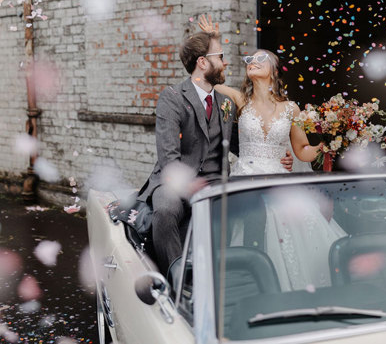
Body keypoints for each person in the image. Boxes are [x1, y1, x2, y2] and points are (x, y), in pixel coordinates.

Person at [199, 15, 346, 290]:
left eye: (260, 59)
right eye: (249, 61)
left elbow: (302, 151)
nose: (252, 62)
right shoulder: (240, 100)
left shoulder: (291, 108)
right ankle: (247, 283)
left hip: (278, 178)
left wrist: (329, 144)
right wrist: (214, 40)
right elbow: (209, 80)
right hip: (246, 179)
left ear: (274, 71)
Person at [137, 30, 293, 275]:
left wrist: (274, 154)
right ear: (203, 62)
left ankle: (247, 273)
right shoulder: (173, 97)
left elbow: (236, 144)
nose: (226, 62)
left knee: (255, 207)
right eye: (220, 57)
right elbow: (169, 157)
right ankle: (177, 278)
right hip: (174, 181)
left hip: (214, 181)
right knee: (166, 212)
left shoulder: (225, 103)